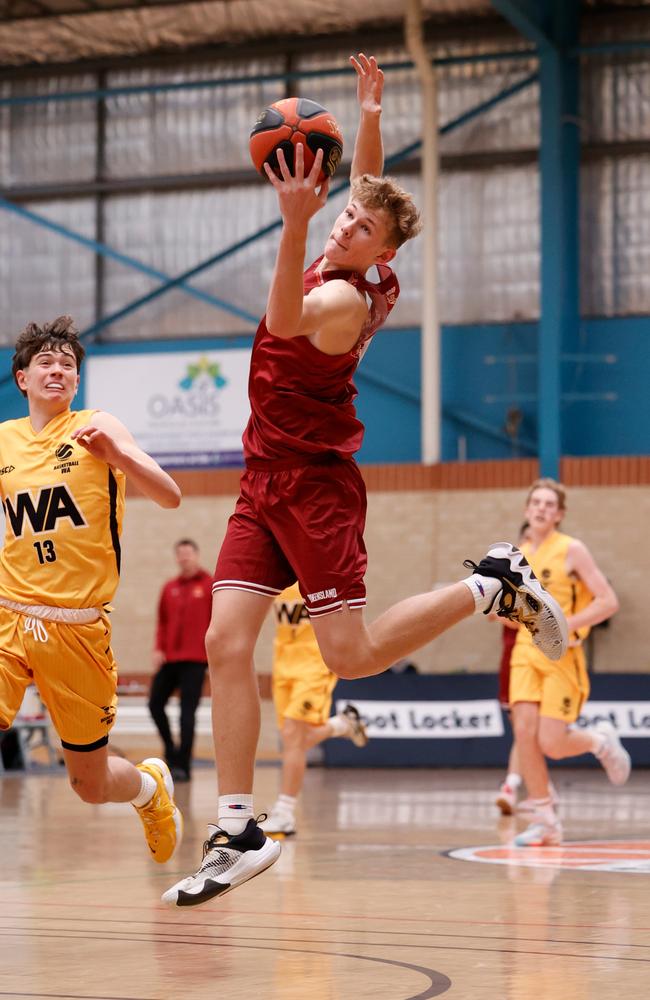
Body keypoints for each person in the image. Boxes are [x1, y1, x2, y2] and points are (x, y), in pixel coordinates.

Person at [163, 54, 568, 908]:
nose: (344, 225)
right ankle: (236, 829)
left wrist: (294, 224)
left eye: (357, 228)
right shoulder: (372, 243)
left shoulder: (345, 299)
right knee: (225, 645)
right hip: (262, 478)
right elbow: (375, 189)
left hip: (313, 487)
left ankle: (489, 585)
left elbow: (280, 318)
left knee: (350, 657)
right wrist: (370, 113)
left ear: (380, 254)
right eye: (342, 216)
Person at [0, 315, 184, 865]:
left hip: (76, 629)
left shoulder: (98, 425)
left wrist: (119, 455)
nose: (58, 370)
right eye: (46, 363)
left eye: (68, 365)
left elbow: (170, 495)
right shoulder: (4, 440)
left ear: (77, 382)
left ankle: (149, 791)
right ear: (22, 379)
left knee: (90, 784)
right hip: (7, 615)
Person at [508, 478, 626, 848]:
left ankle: (600, 741)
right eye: (536, 502)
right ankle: (545, 820)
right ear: (527, 509)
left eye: (549, 504)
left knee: (552, 744)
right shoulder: (517, 555)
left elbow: (608, 601)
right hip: (525, 654)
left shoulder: (572, 550)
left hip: (561, 655)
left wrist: (568, 625)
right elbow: (515, 612)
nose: (541, 508)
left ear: (558, 514)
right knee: (524, 735)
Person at [260, 582, 368, 837]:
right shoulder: (278, 577)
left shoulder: (322, 574)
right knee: (292, 740)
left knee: (293, 738)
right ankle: (341, 725)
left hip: (315, 665)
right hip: (283, 665)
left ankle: (285, 813)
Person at [149, 538, 213, 782]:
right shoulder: (169, 588)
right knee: (155, 704)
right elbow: (162, 622)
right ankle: (171, 751)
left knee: (187, 714)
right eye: (180, 554)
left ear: (196, 555)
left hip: (195, 660)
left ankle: (183, 766)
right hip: (169, 659)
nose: (184, 558)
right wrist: (158, 648)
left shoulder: (209, 586)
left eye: (188, 553)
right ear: (177, 558)